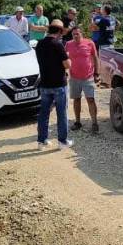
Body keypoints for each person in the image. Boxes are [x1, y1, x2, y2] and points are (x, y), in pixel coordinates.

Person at [34, 19, 73, 149]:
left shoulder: (39, 44)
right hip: (59, 84)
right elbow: (67, 65)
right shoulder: (58, 44)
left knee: (44, 113)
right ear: (60, 32)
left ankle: (41, 140)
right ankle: (62, 141)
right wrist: (68, 58)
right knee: (62, 113)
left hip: (45, 83)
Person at [65, 26, 100, 133]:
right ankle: (77, 122)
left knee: (91, 99)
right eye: (73, 34)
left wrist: (97, 73)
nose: (75, 36)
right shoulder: (68, 44)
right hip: (74, 77)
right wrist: (65, 71)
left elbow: (95, 58)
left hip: (88, 76)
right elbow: (64, 58)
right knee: (76, 99)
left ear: (82, 34)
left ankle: (94, 123)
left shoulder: (90, 43)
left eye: (77, 34)